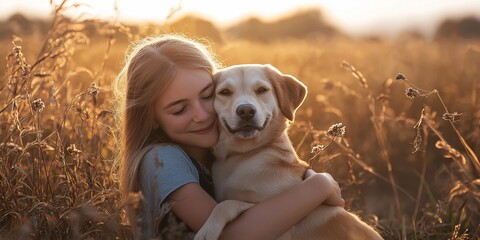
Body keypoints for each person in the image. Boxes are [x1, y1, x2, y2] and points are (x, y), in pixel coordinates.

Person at [113, 34, 344, 240]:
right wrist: (319, 185)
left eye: (207, 96)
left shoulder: (219, 155)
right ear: (150, 117)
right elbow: (232, 236)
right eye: (179, 110)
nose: (202, 116)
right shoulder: (162, 160)